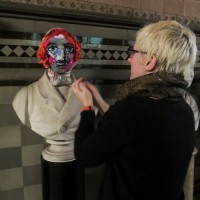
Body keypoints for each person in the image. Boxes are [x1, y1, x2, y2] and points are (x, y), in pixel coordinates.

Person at [72, 20, 199, 200]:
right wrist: (99, 101)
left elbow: (84, 155)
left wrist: (87, 108)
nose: (129, 58)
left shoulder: (129, 111)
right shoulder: (184, 109)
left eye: (134, 52)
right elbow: (136, 136)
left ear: (150, 61)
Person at [12, 28, 82, 161]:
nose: (61, 56)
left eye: (68, 49)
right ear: (44, 54)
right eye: (54, 49)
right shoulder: (25, 97)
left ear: (75, 55)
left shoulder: (89, 95)